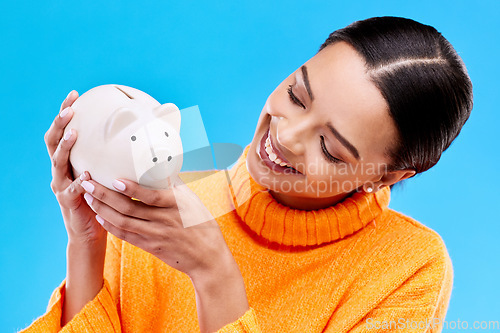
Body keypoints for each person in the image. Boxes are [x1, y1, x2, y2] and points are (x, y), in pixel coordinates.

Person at [20, 16, 472, 333]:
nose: (287, 135)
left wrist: (214, 273)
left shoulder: (409, 267)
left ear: (387, 177)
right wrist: (86, 242)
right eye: (297, 95)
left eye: (330, 148)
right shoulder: (166, 197)